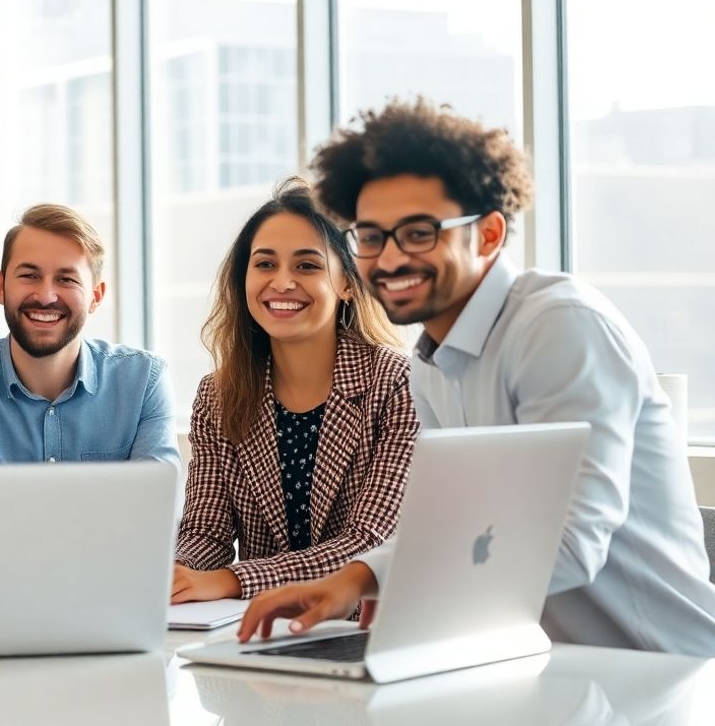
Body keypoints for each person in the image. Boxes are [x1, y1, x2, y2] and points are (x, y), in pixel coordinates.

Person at [238, 97, 715, 655]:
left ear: (488, 235)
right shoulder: (431, 363)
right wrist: (352, 580)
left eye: (419, 233)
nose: (388, 259)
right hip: (548, 668)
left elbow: (571, 544)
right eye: (370, 236)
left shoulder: (558, 327)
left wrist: (397, 587)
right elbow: (456, 530)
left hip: (663, 670)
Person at [171, 177, 418, 604]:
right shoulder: (218, 395)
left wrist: (233, 580)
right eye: (265, 264)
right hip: (256, 629)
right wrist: (175, 573)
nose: (282, 282)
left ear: (348, 283)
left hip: (364, 626)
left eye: (307, 266)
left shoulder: (397, 383)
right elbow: (206, 533)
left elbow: (369, 543)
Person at [0, 204, 179, 469]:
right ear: (1, 287)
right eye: (29, 275)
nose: (45, 296)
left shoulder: (144, 380)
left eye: (67, 279)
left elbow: (154, 494)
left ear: (95, 297)